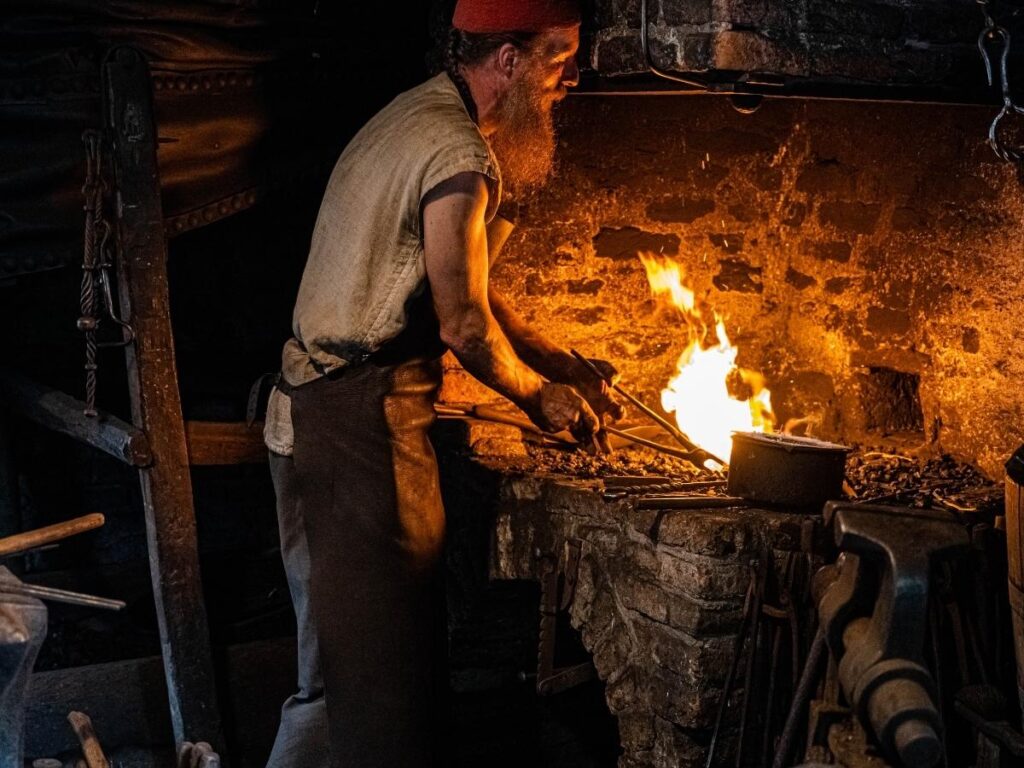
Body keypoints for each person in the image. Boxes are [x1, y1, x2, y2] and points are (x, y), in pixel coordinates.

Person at [263, 1, 622, 765]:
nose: (568, 80)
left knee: (333, 665)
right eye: (557, 59)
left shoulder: (415, 112)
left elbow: (467, 287)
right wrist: (538, 396)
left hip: (307, 407)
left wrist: (554, 356)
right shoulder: (459, 156)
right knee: (389, 679)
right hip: (359, 423)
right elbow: (462, 324)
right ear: (508, 60)